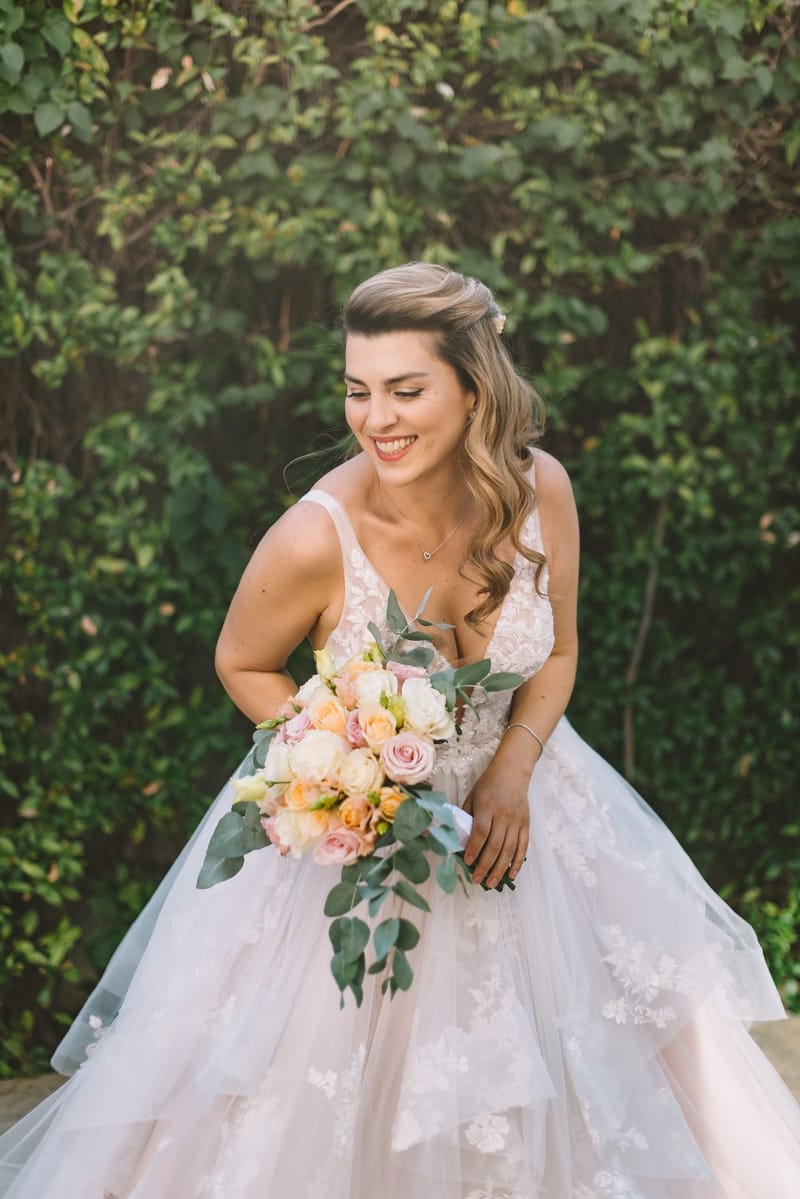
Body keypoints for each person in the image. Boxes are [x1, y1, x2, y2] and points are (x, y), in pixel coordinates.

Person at [1, 262, 798, 1198]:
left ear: (474, 387)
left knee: (643, 1078)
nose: (377, 418)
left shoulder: (543, 490)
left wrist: (511, 772)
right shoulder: (313, 535)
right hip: (366, 846)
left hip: (535, 813)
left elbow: (559, 653)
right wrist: (341, 761)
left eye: (406, 389)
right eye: (357, 390)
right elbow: (241, 662)